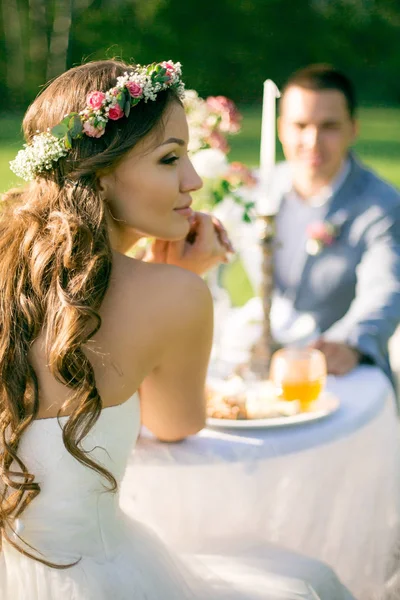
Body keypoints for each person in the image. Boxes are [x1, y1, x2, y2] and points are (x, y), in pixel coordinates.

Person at [0, 59, 354, 599]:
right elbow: (175, 423)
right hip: (92, 579)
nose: (192, 181)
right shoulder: (173, 296)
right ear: (100, 171)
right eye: (170, 159)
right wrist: (180, 279)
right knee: (313, 584)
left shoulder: (12, 267)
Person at [266, 63, 400, 382]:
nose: (312, 140)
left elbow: (385, 287)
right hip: (268, 360)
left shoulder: (381, 204)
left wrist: (348, 342)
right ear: (282, 128)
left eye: (329, 126)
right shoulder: (258, 190)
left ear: (353, 128)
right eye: (300, 125)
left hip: (345, 366)